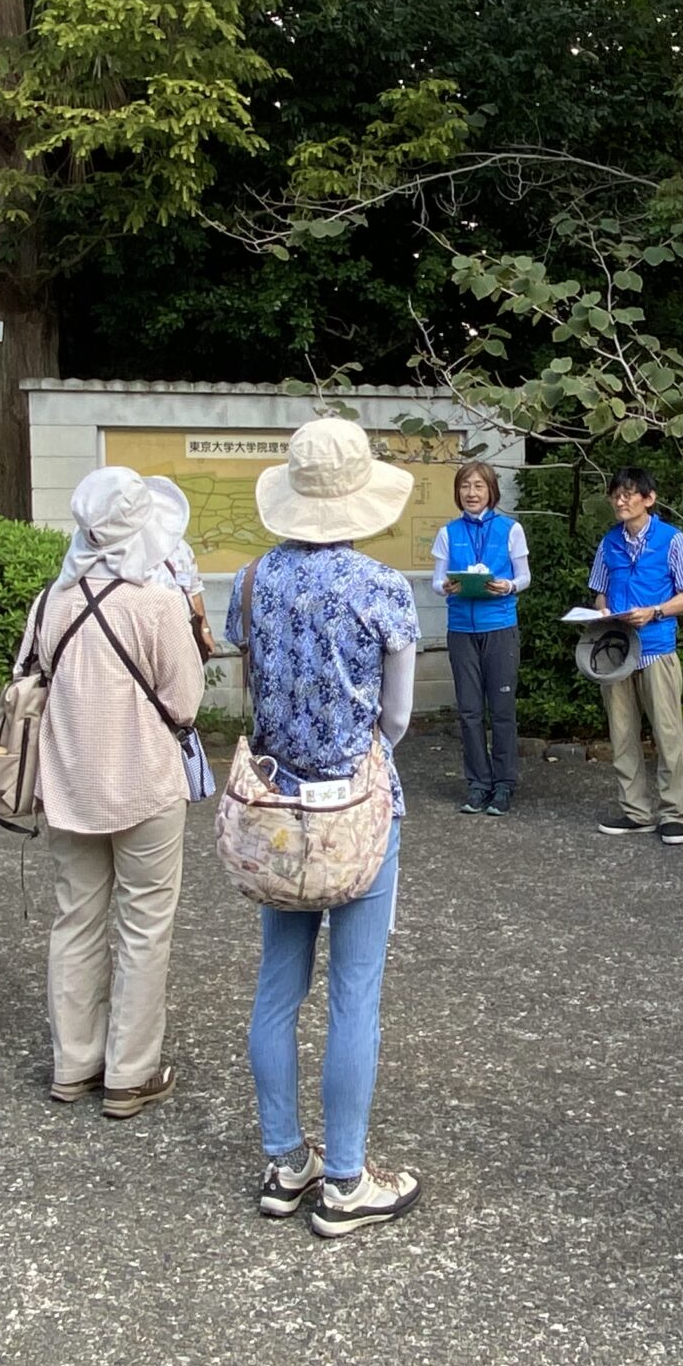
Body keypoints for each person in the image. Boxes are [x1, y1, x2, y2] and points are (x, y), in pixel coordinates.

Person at [225, 417, 423, 1236]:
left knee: (278, 986)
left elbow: (248, 686)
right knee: (355, 993)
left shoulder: (252, 581)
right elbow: (398, 718)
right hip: (357, 810)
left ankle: (285, 1162)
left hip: (276, 809)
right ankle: (346, 1179)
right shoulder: (382, 587)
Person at [26, 467, 202, 1113]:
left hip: (68, 780)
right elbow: (184, 702)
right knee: (143, 924)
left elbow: (33, 678)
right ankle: (129, 1072)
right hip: (145, 780)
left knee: (75, 919)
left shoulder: (51, 600)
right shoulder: (156, 602)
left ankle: (72, 1064)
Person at [587, 466, 683, 845]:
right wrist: (603, 610)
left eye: (628, 494)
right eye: (616, 495)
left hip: (657, 648)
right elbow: (600, 592)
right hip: (617, 649)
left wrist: (655, 611)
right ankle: (636, 813)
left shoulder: (672, 540)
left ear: (648, 499)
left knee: (668, 734)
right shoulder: (609, 542)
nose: (620, 501)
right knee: (621, 734)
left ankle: (673, 815)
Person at [433, 462, 531, 815]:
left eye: (478, 486)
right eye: (465, 486)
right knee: (469, 711)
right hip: (461, 628)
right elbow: (437, 581)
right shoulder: (448, 532)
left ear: (491, 491)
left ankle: (504, 784)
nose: (471, 493)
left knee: (502, 709)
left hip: (499, 625)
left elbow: (524, 577)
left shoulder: (510, 529)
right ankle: (477, 784)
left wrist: (508, 586)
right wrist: (446, 587)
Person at [142, 475, 216, 659]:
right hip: (147, 634)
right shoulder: (134, 549)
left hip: (183, 633)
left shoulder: (182, 548)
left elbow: (194, 590)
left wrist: (204, 629)